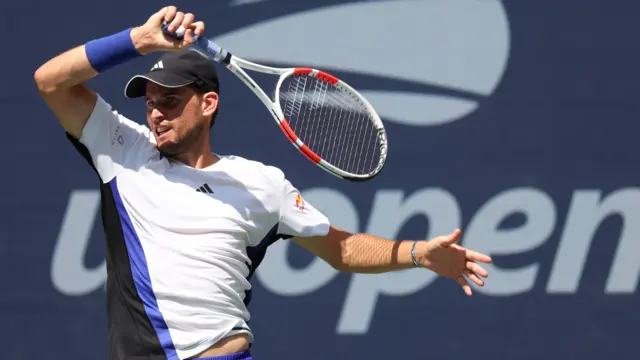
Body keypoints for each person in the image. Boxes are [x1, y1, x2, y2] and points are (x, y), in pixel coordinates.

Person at [34, 6, 492, 360]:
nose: (155, 112)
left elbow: (342, 250)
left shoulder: (261, 183)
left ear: (207, 103)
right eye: (150, 102)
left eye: (170, 101)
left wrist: (418, 254)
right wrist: (138, 40)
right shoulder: (122, 150)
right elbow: (51, 81)